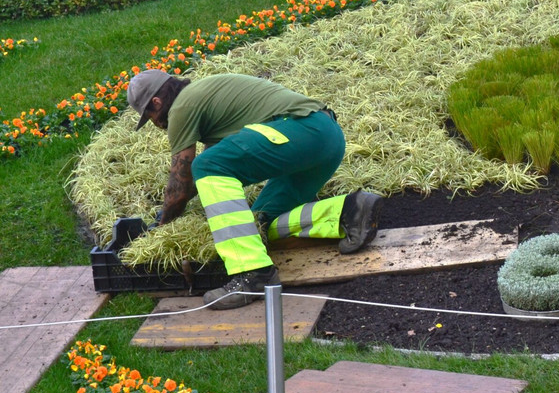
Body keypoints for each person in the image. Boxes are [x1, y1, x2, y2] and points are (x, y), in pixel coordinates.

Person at [126, 69, 382, 309]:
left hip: (302, 129)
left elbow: (184, 178)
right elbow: (200, 178)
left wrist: (163, 225)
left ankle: (253, 274)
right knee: (260, 222)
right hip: (325, 137)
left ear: (157, 103)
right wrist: (178, 206)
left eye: (149, 117)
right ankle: (349, 210)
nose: (155, 124)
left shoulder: (182, 106)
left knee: (206, 164)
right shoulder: (205, 99)